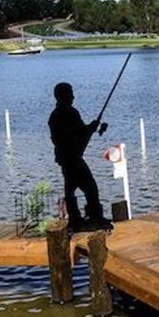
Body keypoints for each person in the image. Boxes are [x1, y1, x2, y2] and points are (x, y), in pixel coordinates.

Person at [48, 82, 111, 232]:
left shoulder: (60, 114)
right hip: (71, 159)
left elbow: (80, 131)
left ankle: (77, 219)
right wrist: (91, 128)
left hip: (68, 158)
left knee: (71, 189)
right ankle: (91, 218)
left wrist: (92, 127)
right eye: (70, 93)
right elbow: (75, 134)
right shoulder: (65, 114)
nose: (73, 97)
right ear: (63, 96)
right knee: (89, 187)